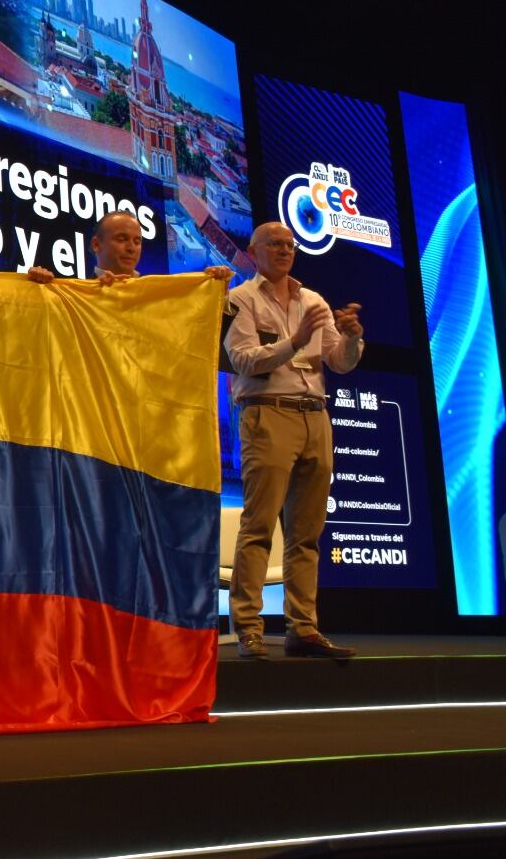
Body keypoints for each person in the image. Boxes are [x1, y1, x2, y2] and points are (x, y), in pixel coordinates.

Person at [224, 221, 364, 660]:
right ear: (254, 251)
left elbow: (339, 362)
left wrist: (353, 339)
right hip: (268, 414)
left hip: (315, 417)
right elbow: (242, 360)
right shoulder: (240, 299)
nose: (285, 250)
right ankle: (248, 628)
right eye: (275, 244)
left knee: (307, 534)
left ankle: (303, 628)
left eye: (290, 244)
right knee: (259, 526)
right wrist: (295, 340)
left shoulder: (313, 300)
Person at [92, 210, 233, 285]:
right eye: (122, 239)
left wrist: (215, 291)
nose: (131, 248)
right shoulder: (79, 299)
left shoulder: (154, 294)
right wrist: (96, 294)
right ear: (96, 245)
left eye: (137, 241)